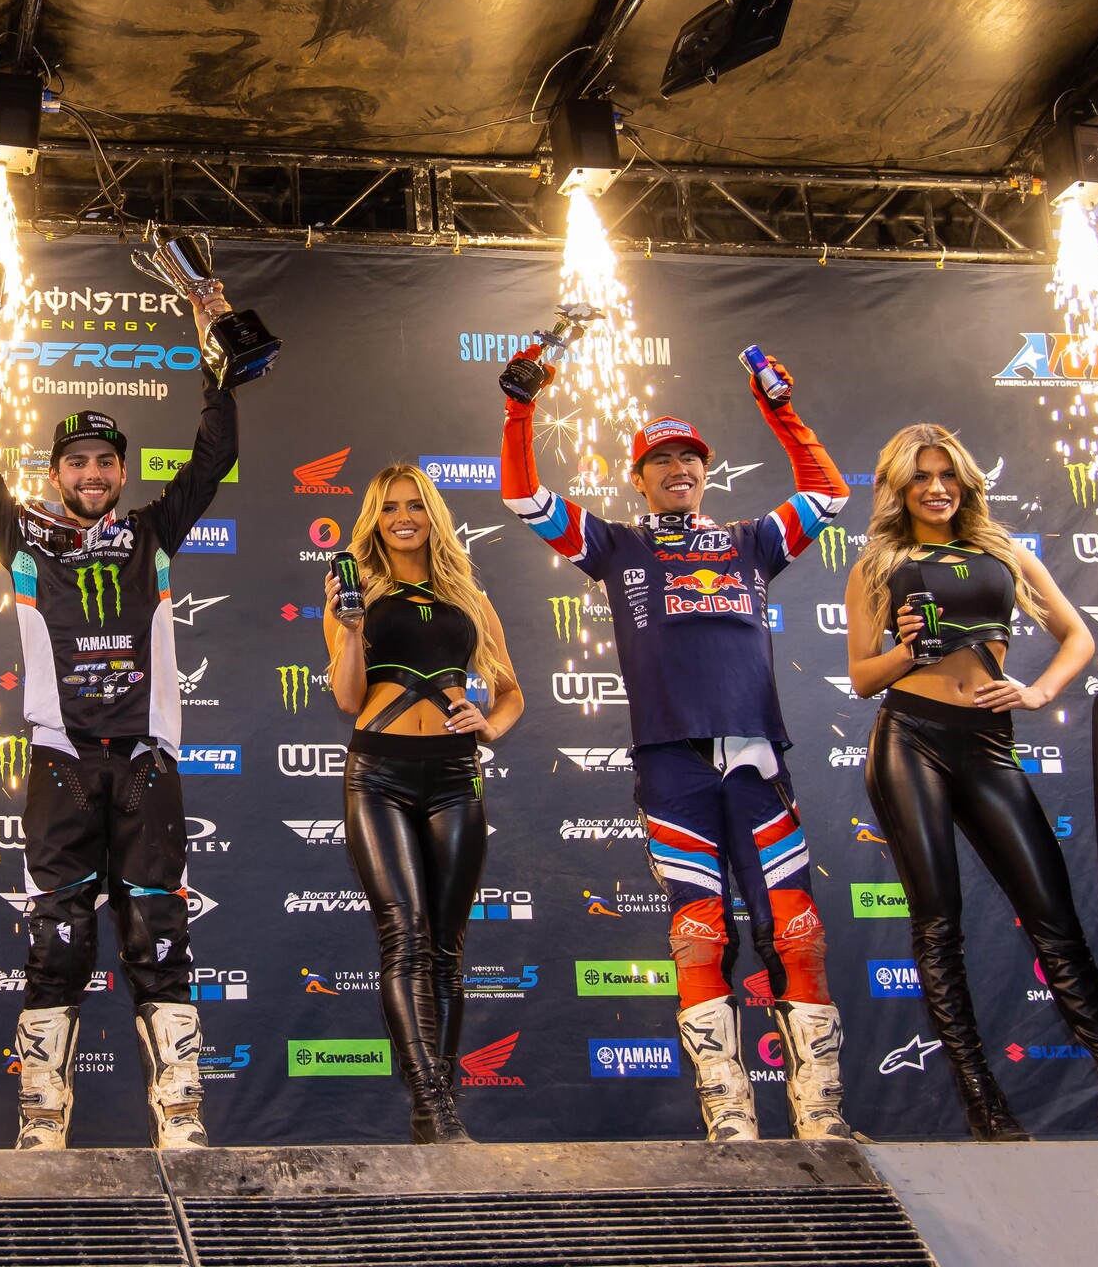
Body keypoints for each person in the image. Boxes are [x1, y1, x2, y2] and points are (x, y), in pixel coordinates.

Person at [500, 345, 855, 1141]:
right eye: (661, 460)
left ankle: (821, 1111)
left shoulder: (750, 540)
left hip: (755, 755)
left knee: (795, 927)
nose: (678, 470)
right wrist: (521, 408)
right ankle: (728, 1112)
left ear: (705, 470)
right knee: (699, 930)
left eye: (689, 458)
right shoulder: (617, 547)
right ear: (640, 476)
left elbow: (828, 492)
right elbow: (522, 495)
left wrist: (780, 412)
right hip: (669, 760)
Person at [0, 280, 237, 1151]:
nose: (94, 475)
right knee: (58, 943)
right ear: (56, 473)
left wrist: (212, 346)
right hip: (61, 764)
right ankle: (42, 1125)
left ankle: (181, 1122)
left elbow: (215, 455)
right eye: (77, 462)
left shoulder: (154, 530)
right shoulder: (24, 535)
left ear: (121, 472)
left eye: (107, 461)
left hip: (145, 762)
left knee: (159, 936)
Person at [843, 424, 1098, 1141]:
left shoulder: (1004, 552)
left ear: (966, 481)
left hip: (990, 745)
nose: (936, 487)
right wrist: (908, 650)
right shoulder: (880, 562)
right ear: (899, 488)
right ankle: (985, 1107)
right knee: (939, 925)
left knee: (1056, 923)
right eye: (921, 477)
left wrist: (1037, 693)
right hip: (909, 739)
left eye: (947, 475)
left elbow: (1080, 636)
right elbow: (860, 677)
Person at [319, 464, 523, 1143]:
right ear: (375, 519)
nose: (403, 517)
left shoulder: (468, 596)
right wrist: (350, 630)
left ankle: (441, 1104)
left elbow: (511, 690)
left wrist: (490, 724)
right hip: (378, 772)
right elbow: (349, 698)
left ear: (433, 514)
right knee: (404, 936)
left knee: (444, 951)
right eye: (389, 508)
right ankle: (431, 1105)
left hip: (455, 776)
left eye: (415, 506)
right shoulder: (358, 591)